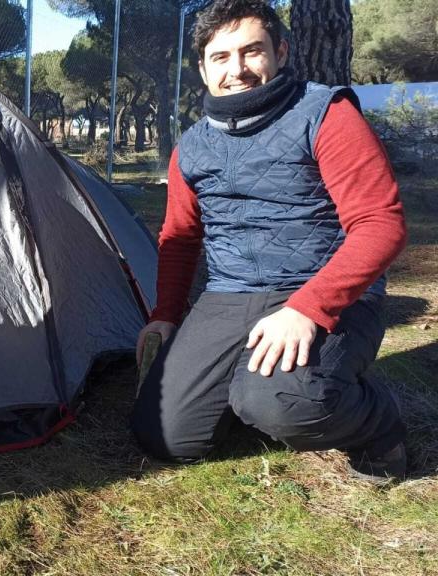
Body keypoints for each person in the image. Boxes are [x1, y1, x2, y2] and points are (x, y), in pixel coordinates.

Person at [130, 0, 408, 483]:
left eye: (251, 51)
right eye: (220, 57)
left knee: (281, 403)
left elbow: (380, 223)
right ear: (202, 67)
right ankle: (261, 392)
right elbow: (179, 237)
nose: (237, 70)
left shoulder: (326, 113)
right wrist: (165, 316)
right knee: (166, 436)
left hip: (324, 289)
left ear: (280, 51)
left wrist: (308, 308)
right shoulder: (191, 146)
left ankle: (379, 424)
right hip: (230, 293)